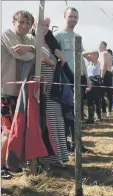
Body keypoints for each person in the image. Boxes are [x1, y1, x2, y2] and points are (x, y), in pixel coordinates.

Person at [1, 10, 36, 178]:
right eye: (21, 22)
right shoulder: (6, 34)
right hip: (6, 91)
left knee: (17, 129)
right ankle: (1, 165)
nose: (24, 26)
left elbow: (45, 53)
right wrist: (33, 52)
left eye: (28, 23)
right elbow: (20, 55)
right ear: (13, 22)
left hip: (21, 92)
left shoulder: (29, 38)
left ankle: (11, 163)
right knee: (7, 130)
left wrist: (29, 47)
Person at [34, 16, 70, 168]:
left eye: (48, 25)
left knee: (57, 122)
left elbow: (60, 64)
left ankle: (58, 157)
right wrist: (46, 61)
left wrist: (61, 60)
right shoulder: (30, 40)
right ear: (35, 24)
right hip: (37, 90)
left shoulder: (51, 42)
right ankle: (44, 159)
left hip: (53, 90)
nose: (45, 27)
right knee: (43, 124)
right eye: (42, 24)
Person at [54, 7, 91, 155]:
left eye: (76, 17)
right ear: (65, 17)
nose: (73, 19)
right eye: (71, 16)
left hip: (79, 78)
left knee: (78, 112)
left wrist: (86, 77)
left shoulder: (78, 37)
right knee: (67, 112)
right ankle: (66, 145)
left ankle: (77, 144)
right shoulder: (58, 36)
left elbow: (81, 58)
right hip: (65, 77)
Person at [85, 51, 103, 124]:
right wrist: (91, 52)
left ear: (97, 56)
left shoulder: (97, 63)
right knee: (90, 100)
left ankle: (98, 117)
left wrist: (93, 53)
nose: (90, 55)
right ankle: (91, 118)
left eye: (93, 54)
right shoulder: (89, 63)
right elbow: (84, 54)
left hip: (96, 81)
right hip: (89, 81)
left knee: (97, 101)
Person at [98, 41, 113, 119]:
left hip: (104, 74)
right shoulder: (109, 54)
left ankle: (104, 112)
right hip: (110, 74)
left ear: (104, 46)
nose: (99, 47)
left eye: (100, 45)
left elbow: (103, 65)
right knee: (110, 95)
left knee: (101, 94)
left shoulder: (103, 54)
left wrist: (101, 77)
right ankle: (109, 112)